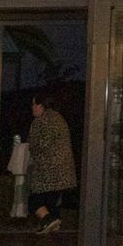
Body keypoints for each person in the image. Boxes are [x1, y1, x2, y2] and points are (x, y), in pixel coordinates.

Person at [27, 94, 77, 235]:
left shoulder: (40, 121)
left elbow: (37, 145)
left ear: (40, 106)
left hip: (48, 170)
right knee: (51, 201)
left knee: (34, 201)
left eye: (33, 104)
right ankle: (53, 227)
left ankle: (48, 220)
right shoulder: (58, 118)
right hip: (63, 171)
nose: (32, 108)